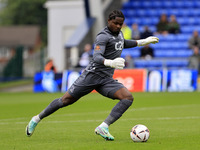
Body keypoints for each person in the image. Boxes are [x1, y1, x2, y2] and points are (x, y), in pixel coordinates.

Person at [26, 10, 159, 141]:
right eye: (116, 23)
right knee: (65, 100)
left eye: (121, 24)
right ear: (109, 21)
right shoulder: (103, 36)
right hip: (91, 76)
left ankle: (103, 127)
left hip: (106, 79)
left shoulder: (119, 33)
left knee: (127, 98)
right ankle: (36, 119)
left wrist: (142, 42)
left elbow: (122, 43)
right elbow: (96, 56)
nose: (118, 26)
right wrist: (110, 62)